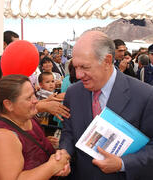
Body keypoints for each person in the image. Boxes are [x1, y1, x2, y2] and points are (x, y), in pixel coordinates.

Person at [59, 31, 153, 180]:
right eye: (75, 67)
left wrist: (123, 163)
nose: (78, 75)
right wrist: (64, 153)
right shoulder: (73, 93)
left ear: (107, 61)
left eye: (84, 67)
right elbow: (69, 133)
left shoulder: (145, 95)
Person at [0, 74, 70, 180]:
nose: (35, 100)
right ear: (8, 105)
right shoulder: (2, 137)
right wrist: (52, 166)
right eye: (29, 98)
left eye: (34, 94)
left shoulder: (27, 118)